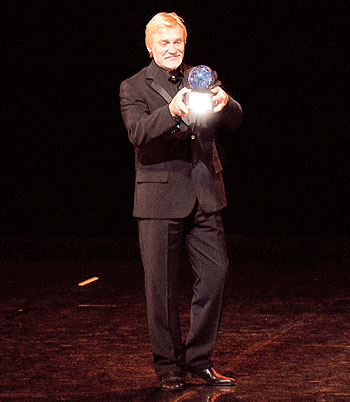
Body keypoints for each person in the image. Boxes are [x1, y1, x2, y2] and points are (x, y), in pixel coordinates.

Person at [120, 12, 242, 391]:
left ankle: (199, 358)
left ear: (184, 44)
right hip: (159, 197)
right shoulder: (133, 86)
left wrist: (226, 101)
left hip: (205, 193)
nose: (172, 49)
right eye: (164, 43)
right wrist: (170, 112)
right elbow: (138, 133)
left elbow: (234, 120)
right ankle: (168, 365)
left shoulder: (201, 76)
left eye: (177, 42)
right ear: (149, 46)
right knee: (162, 287)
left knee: (215, 274)